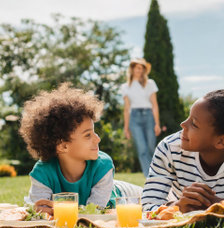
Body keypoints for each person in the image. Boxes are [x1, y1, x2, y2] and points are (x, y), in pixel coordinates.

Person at [142, 83, 224, 213]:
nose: (183, 124)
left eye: (194, 124)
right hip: (169, 201)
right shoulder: (169, 148)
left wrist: (216, 204)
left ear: (222, 141)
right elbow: (147, 207)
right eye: (188, 117)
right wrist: (178, 206)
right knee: (125, 197)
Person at [19, 84, 142, 215]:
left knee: (158, 201)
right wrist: (40, 209)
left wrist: (57, 211)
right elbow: (36, 208)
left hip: (125, 194)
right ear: (63, 146)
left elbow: (93, 213)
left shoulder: (103, 166)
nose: (97, 139)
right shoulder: (43, 173)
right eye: (88, 135)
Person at [121, 58, 161, 178]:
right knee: (142, 150)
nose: (140, 70)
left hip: (149, 116)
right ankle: (150, 178)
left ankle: (157, 173)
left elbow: (154, 104)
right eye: (137, 67)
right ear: (132, 69)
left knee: (150, 147)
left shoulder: (150, 84)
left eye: (142, 68)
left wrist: (157, 123)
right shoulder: (125, 86)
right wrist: (126, 127)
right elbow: (127, 108)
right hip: (134, 118)